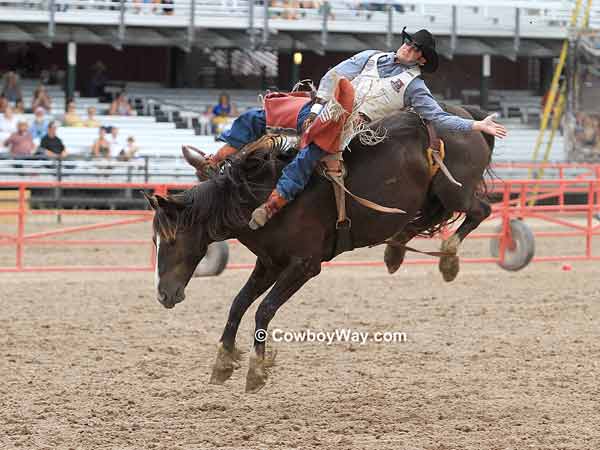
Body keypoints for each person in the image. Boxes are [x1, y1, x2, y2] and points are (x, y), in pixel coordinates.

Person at [194, 28, 508, 229]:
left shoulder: (414, 87)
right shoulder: (369, 57)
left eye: (414, 49)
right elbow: (334, 76)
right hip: (322, 106)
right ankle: (216, 159)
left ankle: (274, 204)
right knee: (256, 116)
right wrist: (320, 105)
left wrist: (476, 124)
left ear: (421, 59)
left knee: (309, 156)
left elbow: (438, 117)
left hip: (348, 126)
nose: (407, 49)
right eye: (408, 43)